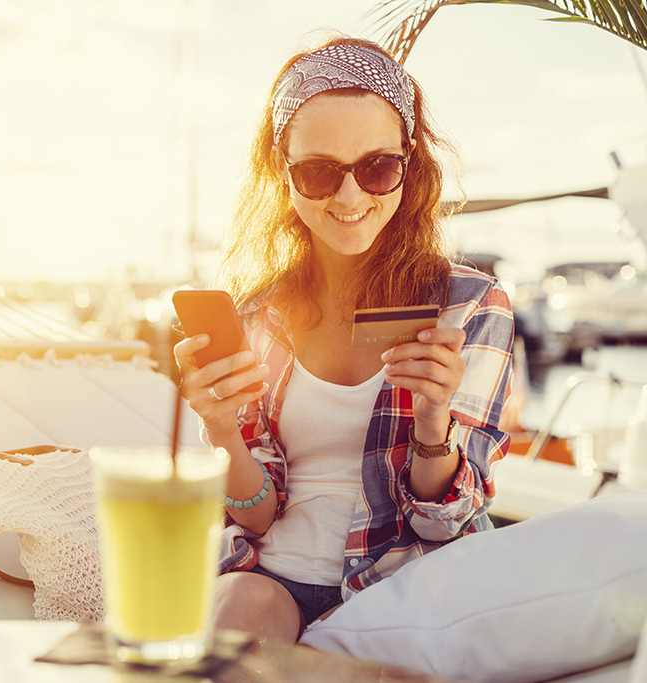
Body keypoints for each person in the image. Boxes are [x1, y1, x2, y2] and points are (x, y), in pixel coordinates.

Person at [173, 35, 514, 644]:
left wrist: (434, 425)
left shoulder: (469, 307)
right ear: (284, 175)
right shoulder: (261, 314)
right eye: (319, 172)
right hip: (267, 577)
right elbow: (254, 517)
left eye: (378, 168)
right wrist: (222, 432)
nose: (351, 197)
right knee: (232, 622)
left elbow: (445, 524)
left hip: (406, 583)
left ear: (410, 164)